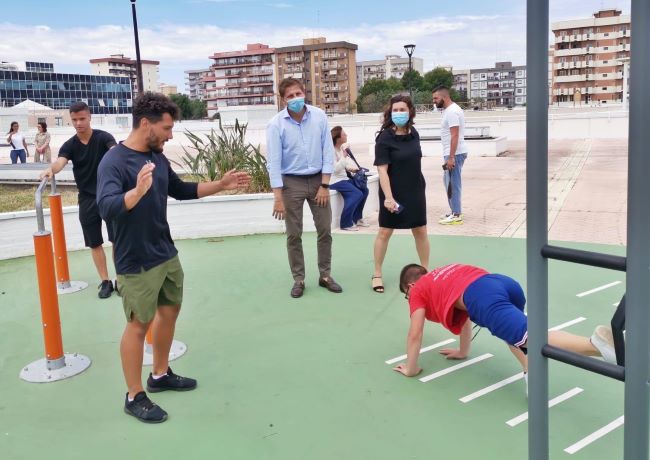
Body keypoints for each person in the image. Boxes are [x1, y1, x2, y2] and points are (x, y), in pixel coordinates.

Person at [97, 92, 250, 423]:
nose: (170, 134)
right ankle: (134, 394)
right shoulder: (114, 162)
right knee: (138, 325)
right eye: (166, 128)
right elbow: (106, 206)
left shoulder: (157, 157)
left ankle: (161, 374)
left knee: (169, 313)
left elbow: (180, 190)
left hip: (165, 253)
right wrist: (135, 193)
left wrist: (221, 184)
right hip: (135, 260)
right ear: (145, 123)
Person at [393, 263, 617, 393]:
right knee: (512, 332)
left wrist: (411, 368)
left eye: (406, 294)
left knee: (532, 337)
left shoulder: (419, 290)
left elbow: (415, 333)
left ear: (410, 285)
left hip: (481, 295)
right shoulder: (442, 274)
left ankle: (595, 343)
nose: (409, 298)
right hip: (502, 283)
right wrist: (463, 352)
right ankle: (531, 370)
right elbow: (464, 319)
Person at [266, 77, 342, 299]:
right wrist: (278, 197)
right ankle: (298, 279)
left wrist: (325, 185)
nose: (295, 99)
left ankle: (325, 275)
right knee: (293, 234)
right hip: (291, 183)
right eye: (290, 96)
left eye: (298, 94)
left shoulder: (319, 116)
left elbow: (327, 151)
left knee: (325, 230)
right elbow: (274, 162)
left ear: (304, 93)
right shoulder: (275, 125)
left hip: (319, 180)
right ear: (283, 100)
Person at [40, 102, 117, 299]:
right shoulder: (70, 145)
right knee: (94, 242)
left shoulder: (104, 138)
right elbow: (60, 162)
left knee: (117, 239)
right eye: (74, 120)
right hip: (87, 198)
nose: (78, 123)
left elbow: (115, 152)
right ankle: (106, 281)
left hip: (109, 195)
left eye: (82, 118)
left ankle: (122, 280)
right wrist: (51, 169)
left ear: (89, 117)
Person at [372, 95, 429, 293]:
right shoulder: (384, 137)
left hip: (414, 189)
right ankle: (377, 274)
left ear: (410, 111)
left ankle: (426, 273)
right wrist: (388, 197)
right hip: (392, 191)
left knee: (420, 230)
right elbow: (381, 170)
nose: (398, 113)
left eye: (402, 109)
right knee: (385, 231)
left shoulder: (414, 134)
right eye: (395, 110)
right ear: (390, 113)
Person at [433, 86, 468, 225]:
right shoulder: (449, 110)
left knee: (453, 184)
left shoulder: (452, 112)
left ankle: (456, 214)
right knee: (448, 182)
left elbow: (455, 135)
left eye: (436, 98)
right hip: (452, 153)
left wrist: (451, 157)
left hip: (455, 153)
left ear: (444, 97)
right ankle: (454, 210)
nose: (434, 101)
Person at [329, 126, 369, 231]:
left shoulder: (339, 149)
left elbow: (343, 166)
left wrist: (352, 169)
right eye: (344, 134)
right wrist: (344, 156)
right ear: (338, 138)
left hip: (343, 179)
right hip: (334, 180)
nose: (346, 135)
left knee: (364, 190)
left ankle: (357, 218)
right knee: (356, 193)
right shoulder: (330, 151)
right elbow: (335, 169)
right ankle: (345, 223)